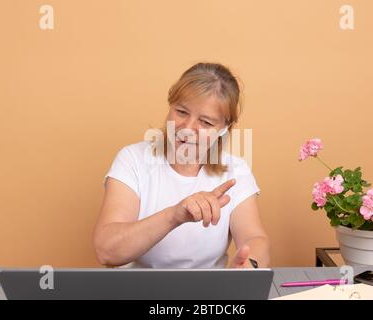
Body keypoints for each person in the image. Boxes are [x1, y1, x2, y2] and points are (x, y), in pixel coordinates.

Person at [93, 62, 270, 269]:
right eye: (182, 112)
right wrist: (174, 215)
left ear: (223, 129)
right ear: (170, 106)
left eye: (205, 122)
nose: (187, 128)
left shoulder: (236, 170)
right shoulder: (132, 159)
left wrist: (251, 264)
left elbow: (255, 238)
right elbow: (106, 250)